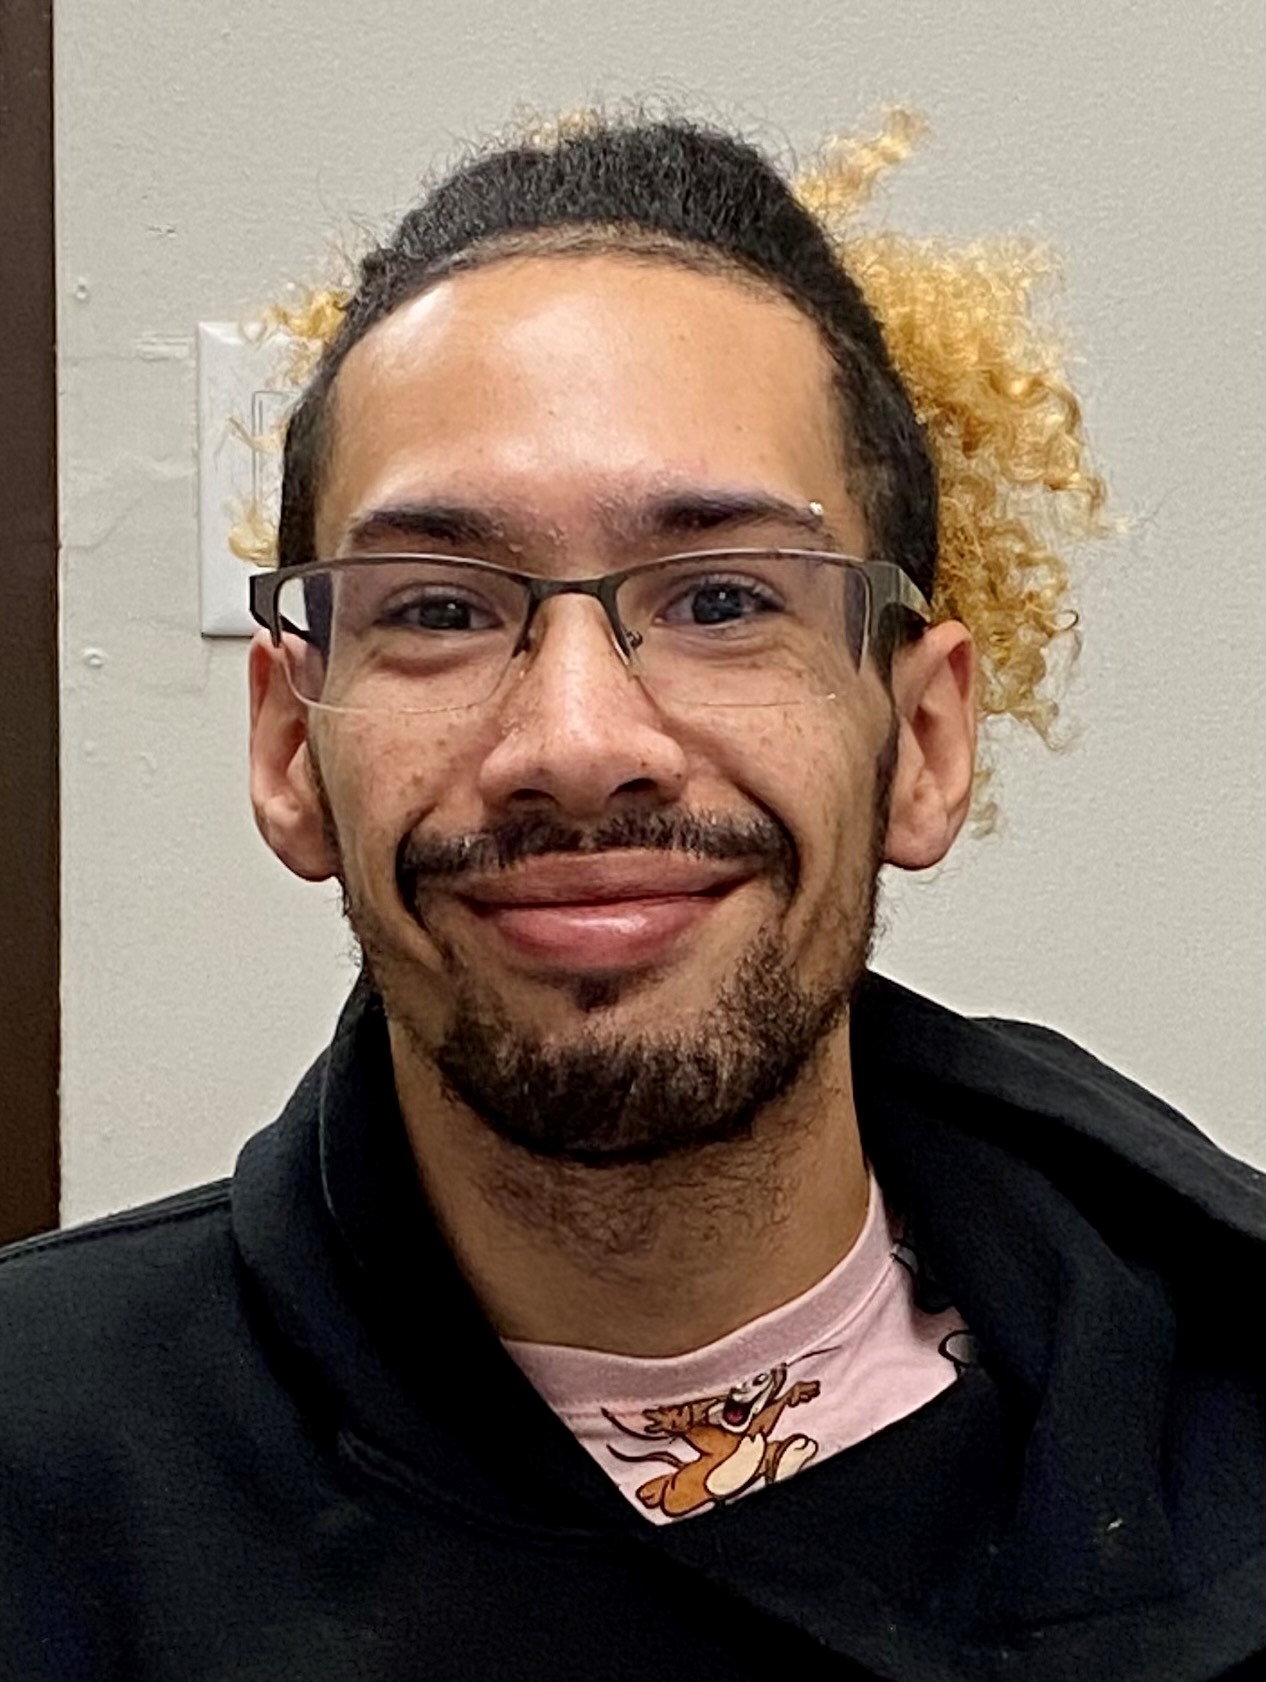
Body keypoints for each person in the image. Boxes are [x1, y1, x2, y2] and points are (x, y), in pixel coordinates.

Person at [1, 111, 1262, 1682]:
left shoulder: (1220, 1426)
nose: (578, 742)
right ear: (287, 750)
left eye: (723, 598)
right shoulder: (41, 1477)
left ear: (924, 740)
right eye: (441, 609)